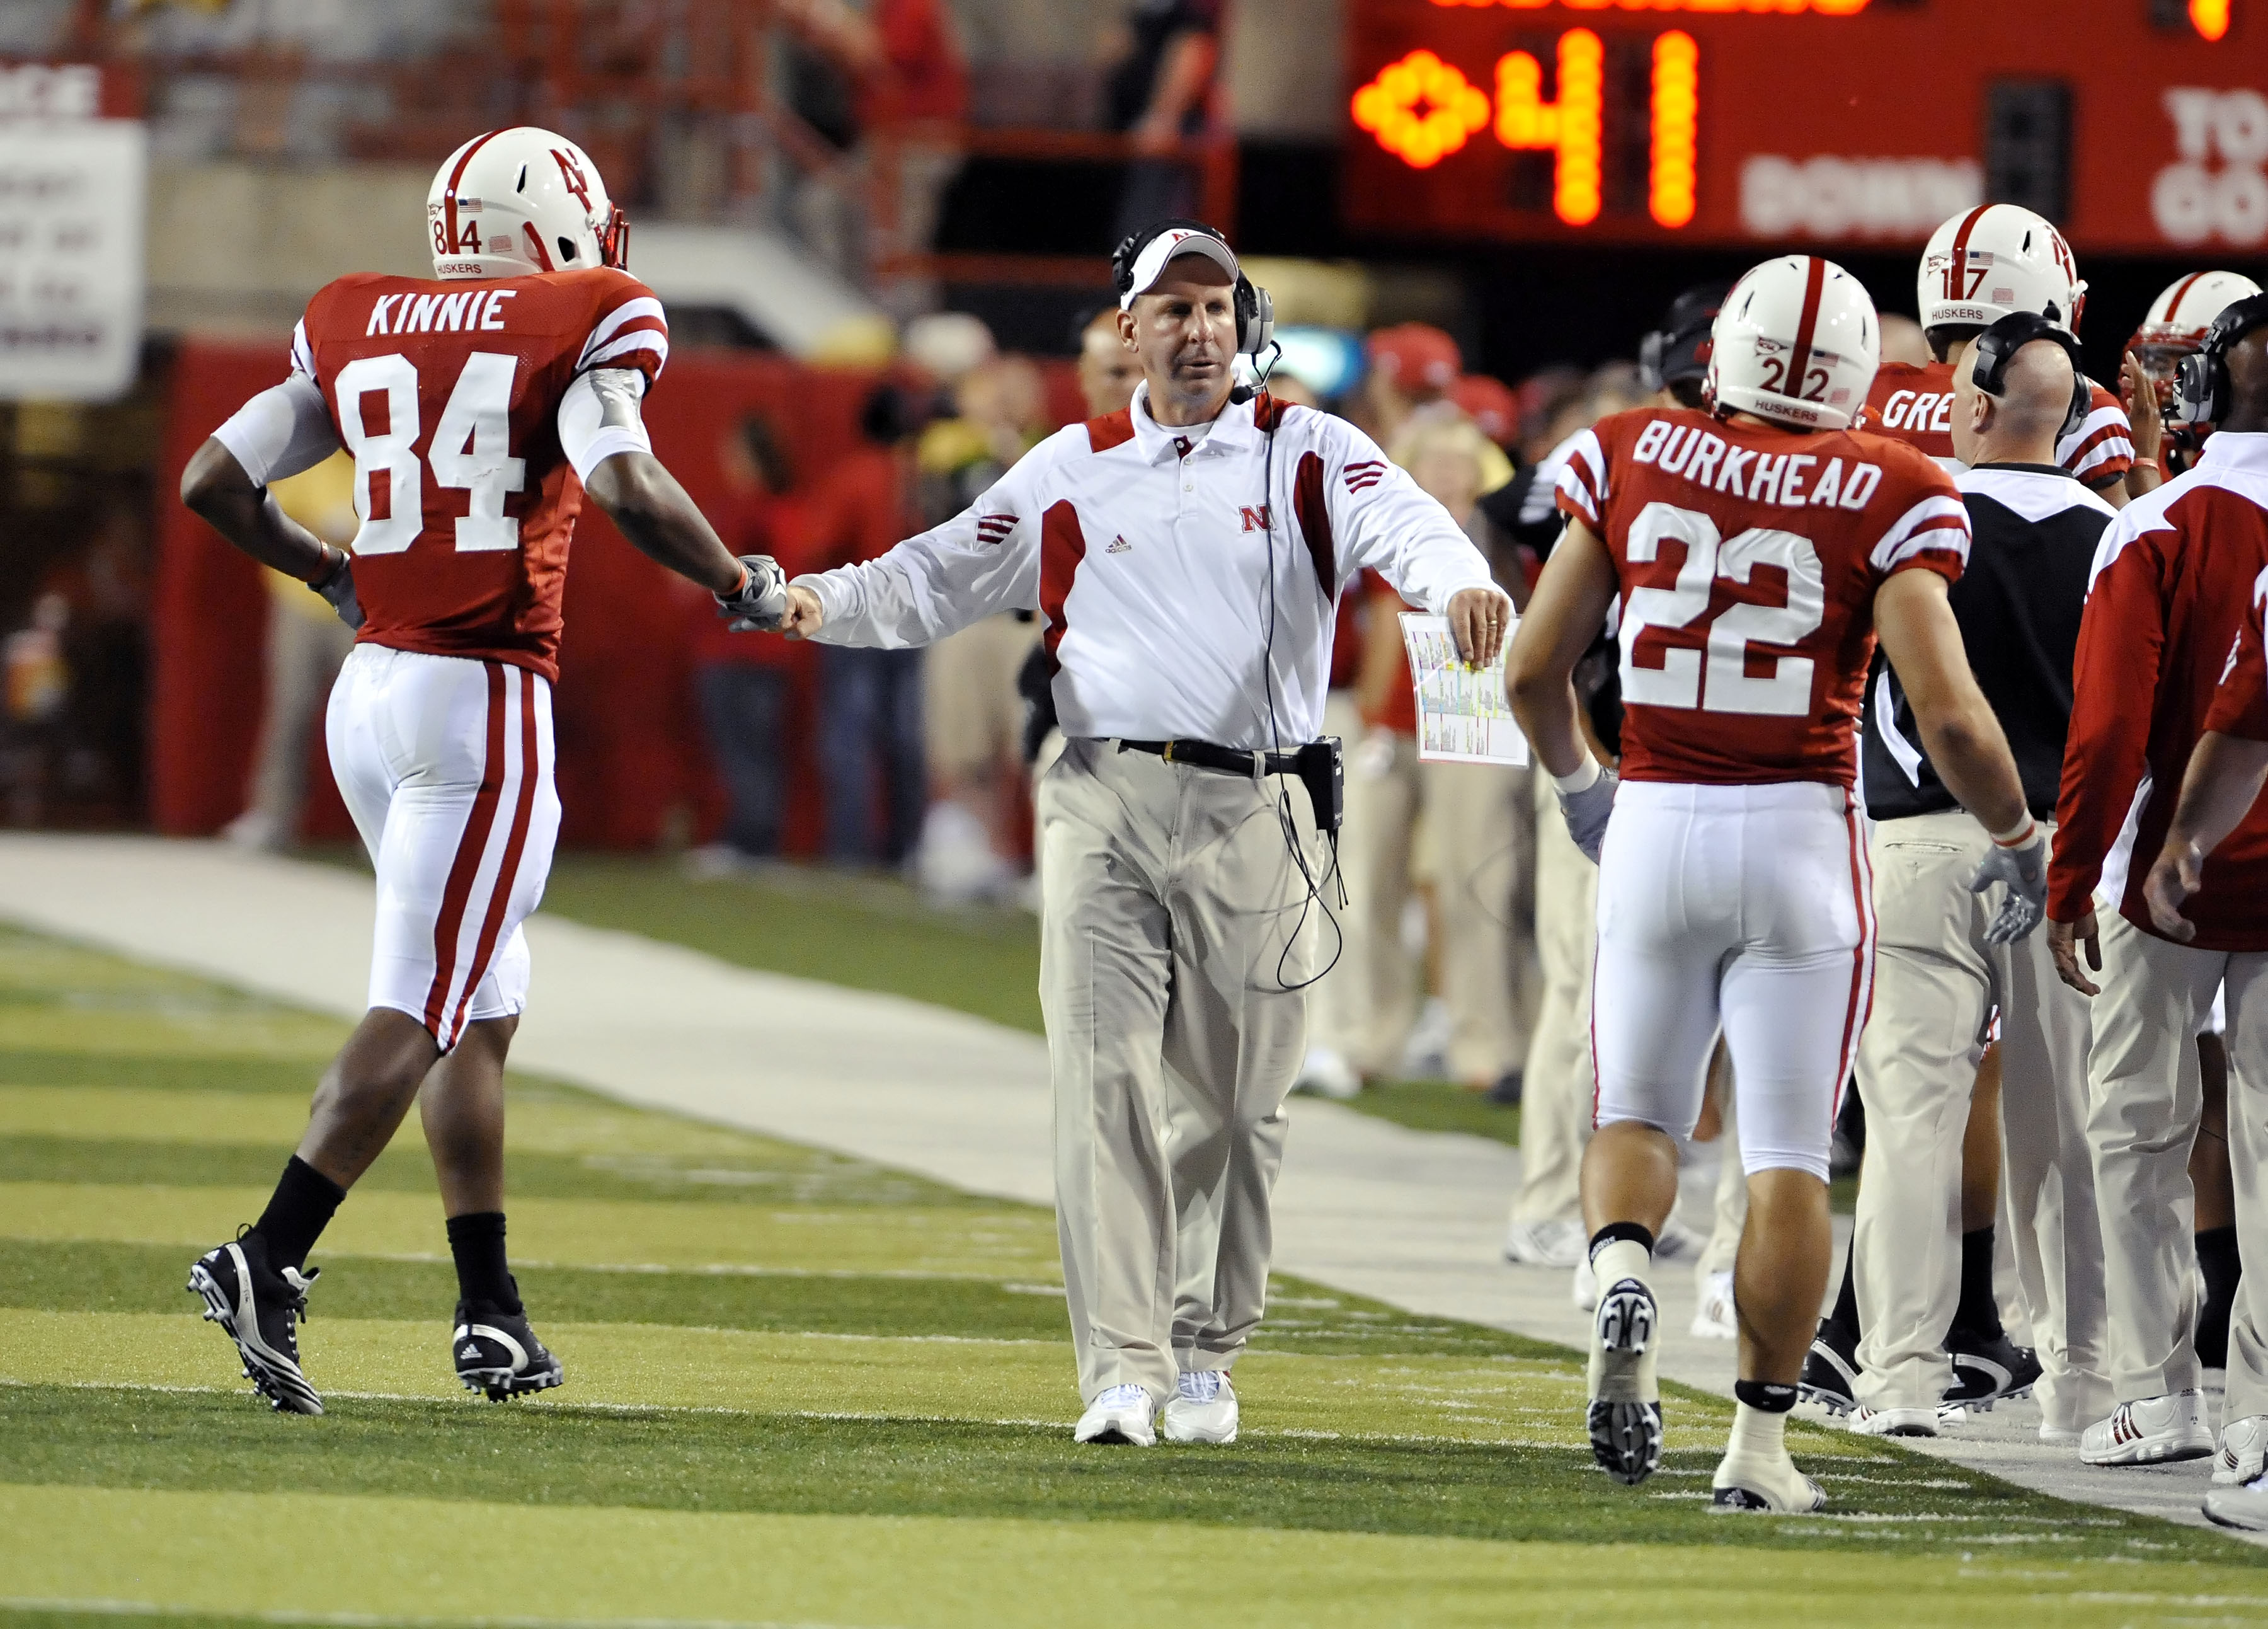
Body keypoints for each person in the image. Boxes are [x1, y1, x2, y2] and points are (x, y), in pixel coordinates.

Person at [768, 219, 1509, 1446]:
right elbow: (937, 573)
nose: (1199, 328)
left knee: (1233, 1103)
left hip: (1261, 802)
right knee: (1101, 1078)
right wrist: (818, 599)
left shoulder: (1311, 450)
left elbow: (1413, 529)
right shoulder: (1071, 463)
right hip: (1102, 793)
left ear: (1244, 321)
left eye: (1216, 306)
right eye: (1173, 309)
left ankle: (1209, 1343)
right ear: (1131, 331)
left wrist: (1460, 584)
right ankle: (1123, 1357)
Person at [175, 126, 785, 1415]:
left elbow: (211, 479)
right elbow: (623, 477)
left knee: (477, 1004)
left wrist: (325, 567)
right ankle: (268, 1252)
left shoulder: (353, 313)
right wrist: (736, 577)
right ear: (550, 222)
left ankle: (489, 1309)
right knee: (424, 1001)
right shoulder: (586, 312)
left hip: (372, 694)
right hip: (484, 691)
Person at [1508, 255, 2044, 1512]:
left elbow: (1537, 667)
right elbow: (1953, 716)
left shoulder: (1632, 448)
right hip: (1800, 832)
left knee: (1636, 1113)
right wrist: (2016, 834)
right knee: (1790, 1157)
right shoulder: (1894, 485)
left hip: (1657, 815)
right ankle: (1756, 1446)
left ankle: (1624, 1258)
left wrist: (1587, 788)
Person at [1841, 313, 2112, 1440]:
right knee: (2082, 1132)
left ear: (1983, 405)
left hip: (1923, 841)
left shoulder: (1922, 515)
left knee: (1911, 1122)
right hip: (2067, 856)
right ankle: (2091, 1374)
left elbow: (1891, 694)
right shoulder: (2122, 529)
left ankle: (1900, 1373)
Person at [2046, 292, 2268, 1471]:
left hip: (2163, 879)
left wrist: (2073, 869)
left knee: (2137, 1130)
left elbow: (2111, 730)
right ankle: (2266, 1408)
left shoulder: (2160, 526)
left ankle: (2159, 1391)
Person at [1501, 287, 1721, 1278]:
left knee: (1658, 1008)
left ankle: (1622, 1200)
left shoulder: (1626, 449)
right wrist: (1580, 767)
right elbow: (1523, 543)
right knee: (1589, 996)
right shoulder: (1610, 451)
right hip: (1622, 758)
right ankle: (1554, 1199)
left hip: (1671, 765)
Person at [1336, 414, 1529, 1093]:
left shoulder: (1501, 536)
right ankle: (1371, 1037)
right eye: (1434, 459)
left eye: (1460, 459)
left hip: (1473, 711)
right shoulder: (1383, 528)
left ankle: (1482, 1038)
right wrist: (1365, 713)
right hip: (1391, 718)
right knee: (1368, 880)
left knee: (1473, 879)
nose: (1447, 472)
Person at [1857, 204, 2138, 505]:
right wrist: (2145, 463)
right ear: (2052, 308)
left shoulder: (1867, 394)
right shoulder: (2077, 407)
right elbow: (2124, 544)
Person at [806, 381, 930, 866]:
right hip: (914, 621)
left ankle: (851, 847)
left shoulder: (854, 476)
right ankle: (907, 846)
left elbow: (817, 547)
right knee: (906, 736)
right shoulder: (918, 476)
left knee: (849, 738)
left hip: (856, 622)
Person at [223, 452, 359, 852]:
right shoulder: (311, 459)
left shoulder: (380, 459)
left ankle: (383, 826)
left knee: (367, 721)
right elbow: (272, 522)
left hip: (360, 608)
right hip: (301, 602)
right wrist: (323, 532)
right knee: (291, 710)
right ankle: (272, 816)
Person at [684, 414, 801, 871]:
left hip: (734, 649)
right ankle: (757, 837)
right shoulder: (785, 508)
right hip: (769, 649)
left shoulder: (747, 510)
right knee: (758, 749)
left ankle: (750, 840)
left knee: (743, 750)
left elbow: (714, 571)